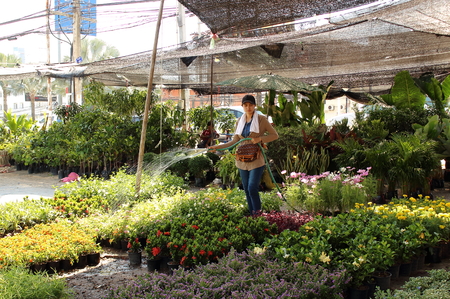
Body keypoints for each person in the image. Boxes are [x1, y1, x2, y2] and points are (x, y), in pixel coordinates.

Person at [208, 95, 278, 215]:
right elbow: (234, 141)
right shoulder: (239, 121)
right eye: (245, 105)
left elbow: (274, 135)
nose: (248, 107)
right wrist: (216, 147)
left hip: (256, 159)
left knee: (252, 188)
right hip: (242, 160)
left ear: (254, 105)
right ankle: (252, 215)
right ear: (243, 106)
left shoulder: (261, 119)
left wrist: (260, 138)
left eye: (250, 105)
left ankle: (257, 216)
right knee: (246, 189)